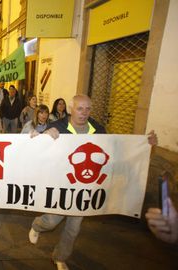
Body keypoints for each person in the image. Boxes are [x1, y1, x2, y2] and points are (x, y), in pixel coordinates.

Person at [28, 95, 157, 270]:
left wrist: (145, 145)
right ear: (71, 109)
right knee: (51, 221)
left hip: (85, 189)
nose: (84, 113)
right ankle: (37, 225)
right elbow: (39, 150)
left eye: (88, 108)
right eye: (80, 108)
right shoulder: (57, 127)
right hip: (62, 187)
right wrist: (43, 135)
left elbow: (116, 152)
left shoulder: (99, 130)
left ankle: (60, 257)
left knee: (73, 229)